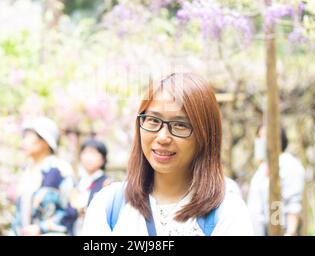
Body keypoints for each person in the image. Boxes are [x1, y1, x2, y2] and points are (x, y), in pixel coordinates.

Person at [81, 73, 253, 236]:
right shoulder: (109, 205)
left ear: (205, 135)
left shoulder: (228, 213)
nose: (163, 137)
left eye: (180, 125)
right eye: (153, 121)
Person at [11, 116, 76, 236]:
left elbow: (71, 210)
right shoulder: (26, 170)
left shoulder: (60, 170)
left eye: (29, 137)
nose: (23, 142)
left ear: (45, 141)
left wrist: (41, 228)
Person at [247, 125, 305, 236]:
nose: (261, 141)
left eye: (264, 137)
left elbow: (293, 204)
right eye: (259, 137)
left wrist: (290, 232)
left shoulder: (290, 165)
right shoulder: (262, 169)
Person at [70, 138, 112, 235]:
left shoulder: (107, 183)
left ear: (103, 159)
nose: (89, 157)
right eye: (85, 152)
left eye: (94, 153)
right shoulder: (77, 183)